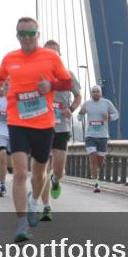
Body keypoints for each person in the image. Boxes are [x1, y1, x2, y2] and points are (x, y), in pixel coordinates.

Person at [0, 16, 73, 242]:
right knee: (20, 173)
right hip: (17, 123)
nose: (27, 38)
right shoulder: (10, 58)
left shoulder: (51, 57)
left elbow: (66, 83)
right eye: (22, 34)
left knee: (39, 174)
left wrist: (51, 85)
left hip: (44, 125)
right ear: (17, 36)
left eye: (31, 34)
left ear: (37, 35)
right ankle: (21, 225)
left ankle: (34, 202)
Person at [39, 40, 82, 219]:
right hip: (41, 126)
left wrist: (71, 109)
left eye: (54, 53)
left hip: (61, 126)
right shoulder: (37, 74)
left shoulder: (68, 74)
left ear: (59, 55)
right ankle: (46, 206)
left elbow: (78, 96)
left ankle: (56, 180)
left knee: (58, 170)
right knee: (42, 169)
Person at [78, 84, 118, 193]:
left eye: (97, 91)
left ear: (100, 93)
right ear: (91, 93)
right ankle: (96, 185)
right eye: (93, 91)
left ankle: (95, 170)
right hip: (90, 136)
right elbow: (79, 118)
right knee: (93, 159)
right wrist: (81, 113)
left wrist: (109, 117)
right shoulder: (87, 104)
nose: (95, 93)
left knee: (100, 162)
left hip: (103, 136)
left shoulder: (107, 103)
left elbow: (116, 115)